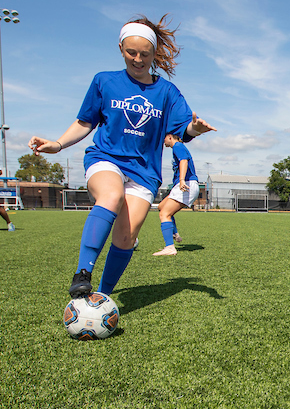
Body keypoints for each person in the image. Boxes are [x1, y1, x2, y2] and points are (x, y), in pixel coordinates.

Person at [28, 15, 215, 298]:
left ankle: (99, 297)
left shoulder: (166, 91)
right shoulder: (104, 81)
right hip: (106, 158)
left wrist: (195, 129)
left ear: (154, 54)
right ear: (120, 48)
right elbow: (84, 122)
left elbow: (183, 127)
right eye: (131, 52)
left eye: (145, 54)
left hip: (144, 172)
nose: (138, 59)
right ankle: (83, 274)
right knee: (111, 195)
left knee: (126, 237)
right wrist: (57, 144)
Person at [153, 134, 200, 256]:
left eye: (163, 138)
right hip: (182, 185)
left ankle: (169, 247)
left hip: (186, 184)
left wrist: (182, 180)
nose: (163, 141)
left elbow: (183, 161)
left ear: (169, 137)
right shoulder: (177, 147)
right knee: (161, 207)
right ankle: (174, 233)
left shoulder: (177, 146)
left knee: (164, 214)